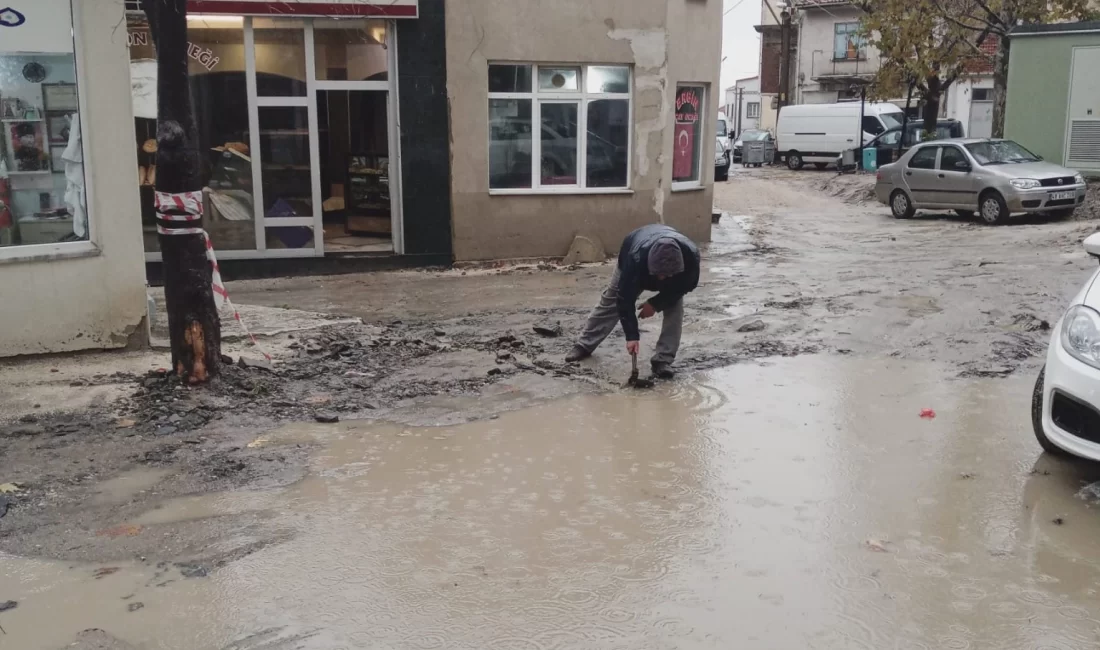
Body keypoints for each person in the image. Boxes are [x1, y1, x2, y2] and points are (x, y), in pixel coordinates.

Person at [565, 224, 700, 378]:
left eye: (668, 275)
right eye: (660, 275)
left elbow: (686, 285)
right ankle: (584, 344)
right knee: (611, 300)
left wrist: (656, 304)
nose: (663, 279)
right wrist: (632, 336)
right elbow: (624, 299)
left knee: (675, 306)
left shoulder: (691, 257)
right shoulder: (635, 259)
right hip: (634, 253)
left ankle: (663, 360)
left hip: (673, 270)